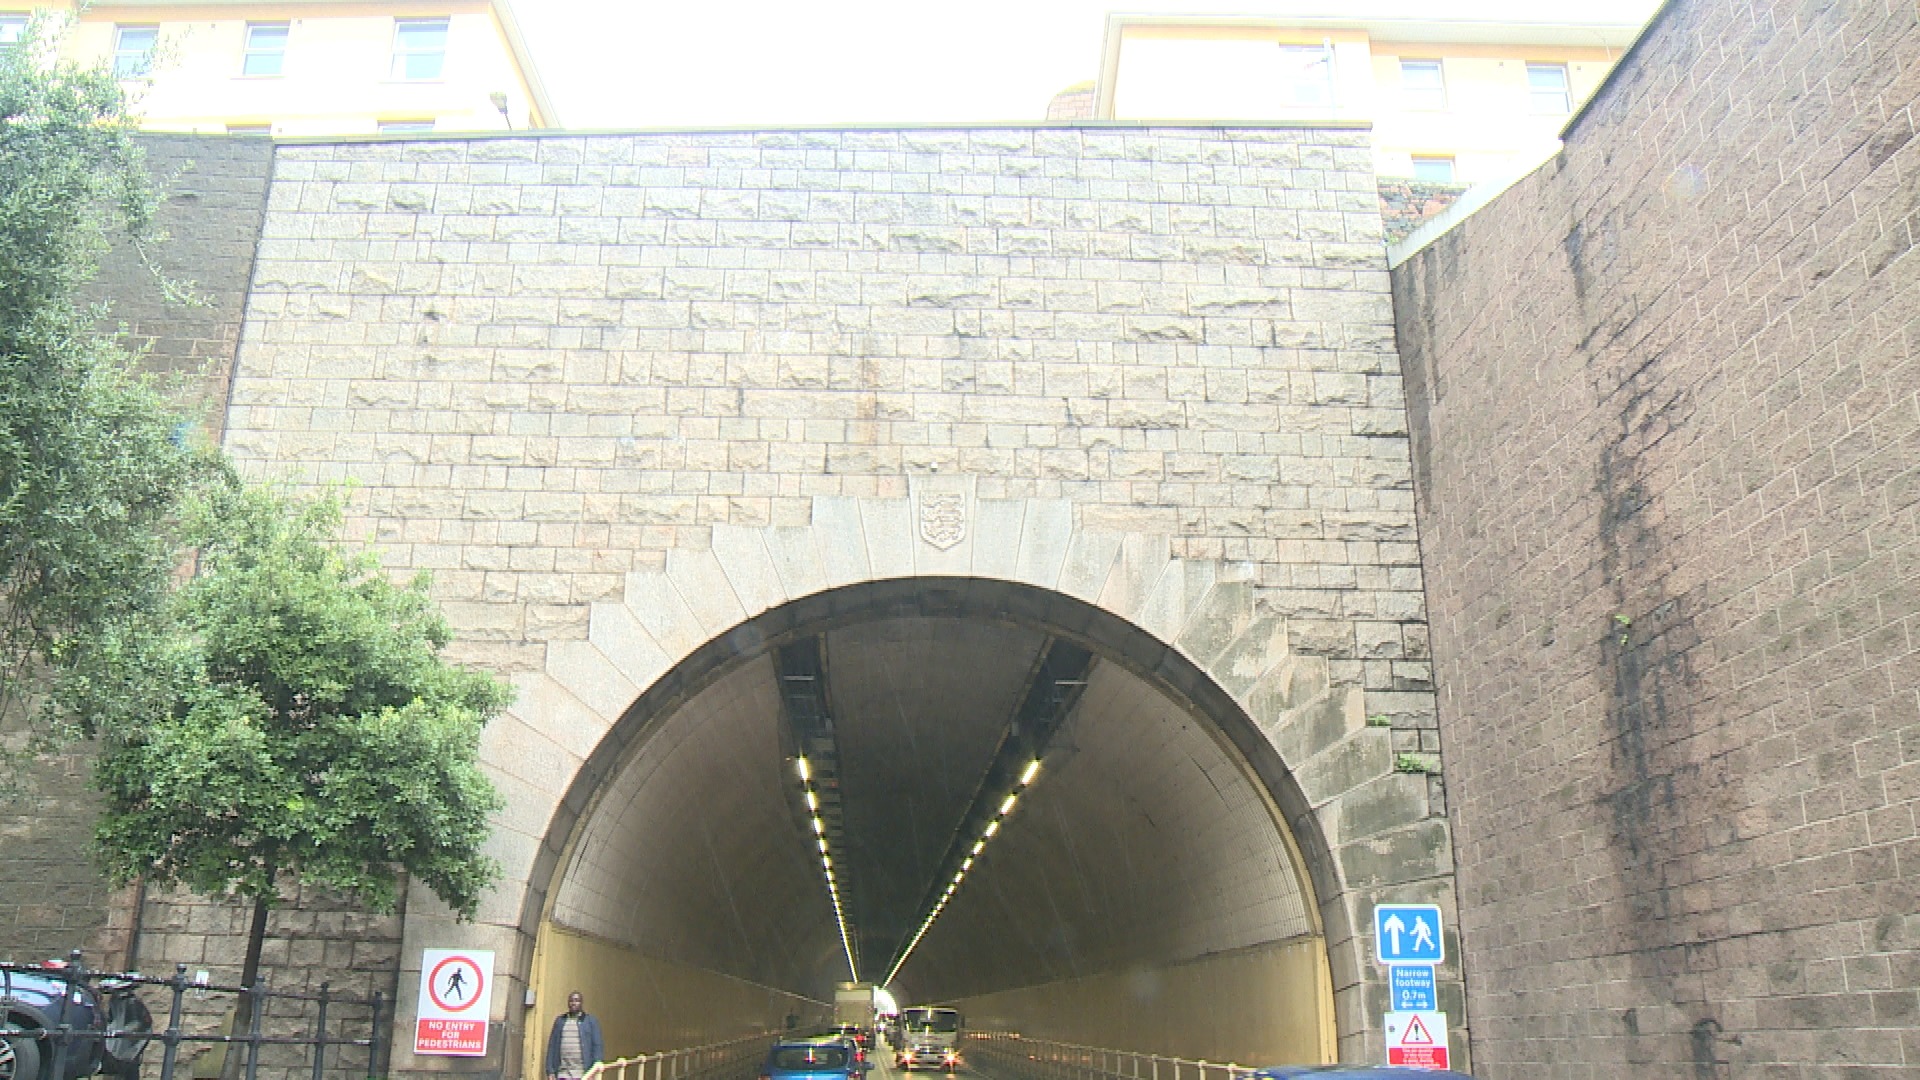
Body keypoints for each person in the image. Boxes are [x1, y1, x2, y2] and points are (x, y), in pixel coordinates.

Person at [544, 991, 604, 1080]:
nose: (573, 1003)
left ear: (581, 1003)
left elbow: (597, 1046)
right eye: (571, 1001)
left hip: (582, 1073)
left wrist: (594, 1070)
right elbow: (552, 1046)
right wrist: (550, 1070)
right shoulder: (560, 1021)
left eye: (577, 1000)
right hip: (563, 1073)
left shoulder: (590, 1021)